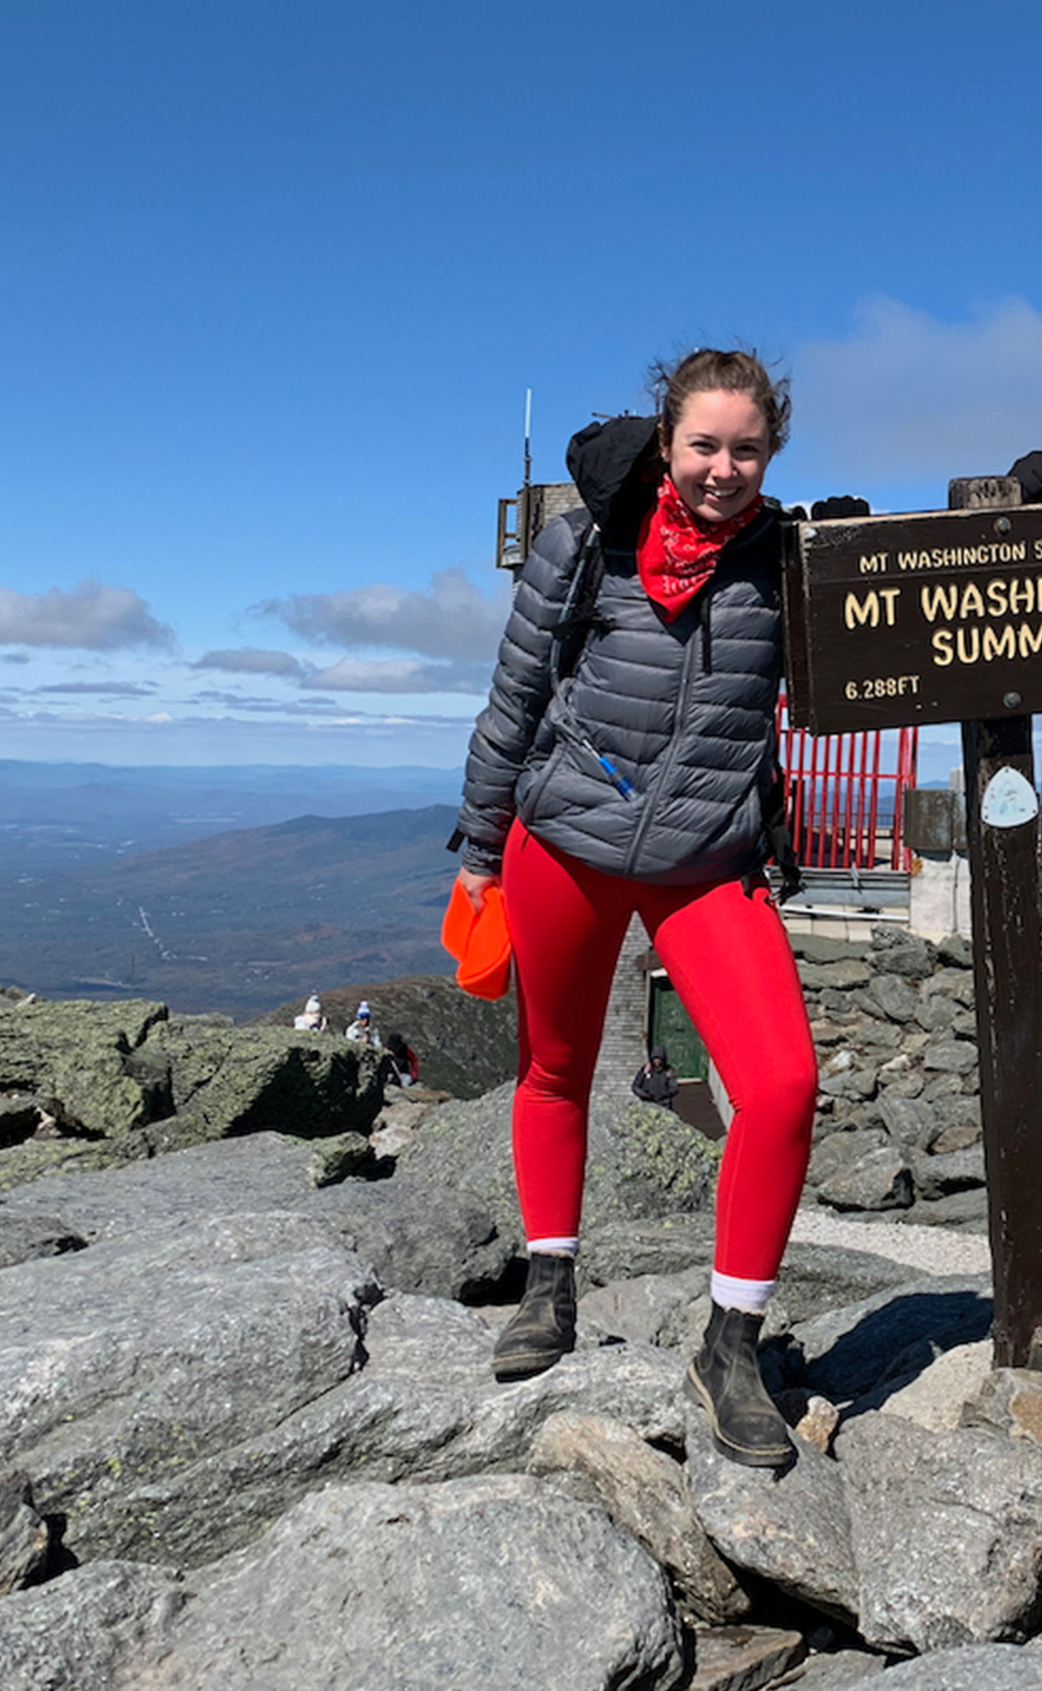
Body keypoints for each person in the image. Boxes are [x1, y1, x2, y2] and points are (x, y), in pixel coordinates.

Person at [451, 347, 818, 1471]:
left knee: (783, 1083)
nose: (722, 468)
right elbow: (514, 695)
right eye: (702, 444)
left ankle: (730, 1343)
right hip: (563, 837)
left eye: (744, 448)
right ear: (665, 442)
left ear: (771, 452)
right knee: (554, 1063)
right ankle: (548, 1281)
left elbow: (906, 604)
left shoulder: (786, 558)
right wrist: (477, 849)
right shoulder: (583, 541)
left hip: (704, 859)